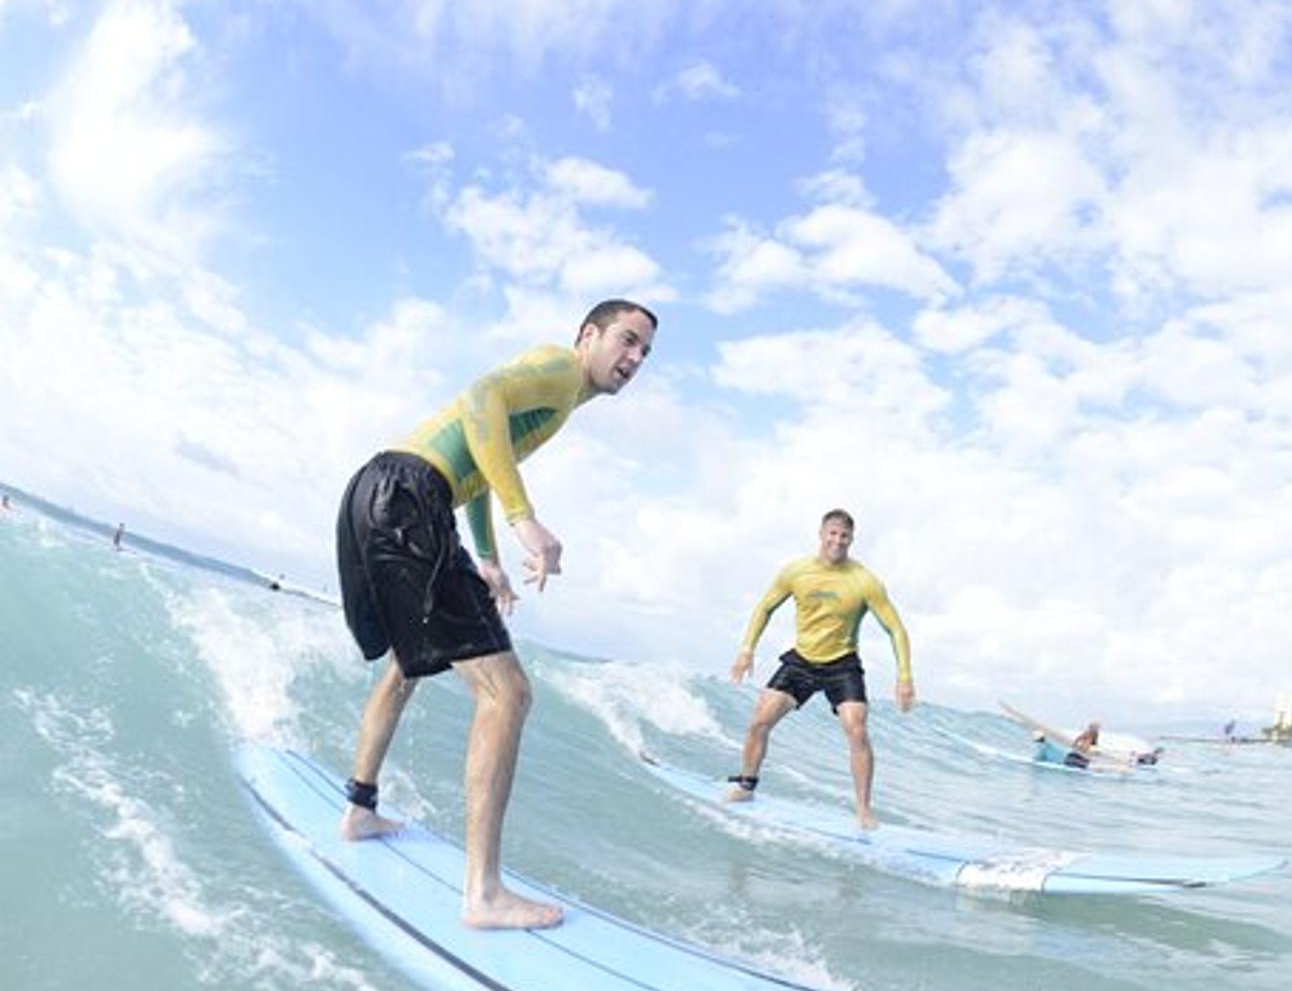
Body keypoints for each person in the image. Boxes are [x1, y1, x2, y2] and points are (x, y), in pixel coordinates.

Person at [334, 298, 657, 930]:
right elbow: (482, 397)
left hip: (383, 488)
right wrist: (524, 519)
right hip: (412, 494)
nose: (635, 359)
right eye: (626, 340)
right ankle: (482, 894)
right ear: (588, 335)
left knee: (408, 662)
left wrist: (486, 555)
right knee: (507, 694)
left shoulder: (555, 392)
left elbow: (483, 456)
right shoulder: (562, 372)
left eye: (644, 352)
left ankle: (360, 808)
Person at [726, 509, 913, 828]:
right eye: (833, 534)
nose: (837, 541)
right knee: (760, 721)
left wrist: (904, 676)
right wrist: (747, 650)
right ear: (821, 534)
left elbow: (895, 628)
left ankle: (864, 811)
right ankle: (746, 785)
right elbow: (765, 607)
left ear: (851, 539)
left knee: (857, 729)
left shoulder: (865, 581)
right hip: (801, 660)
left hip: (842, 664)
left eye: (844, 536)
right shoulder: (796, 572)